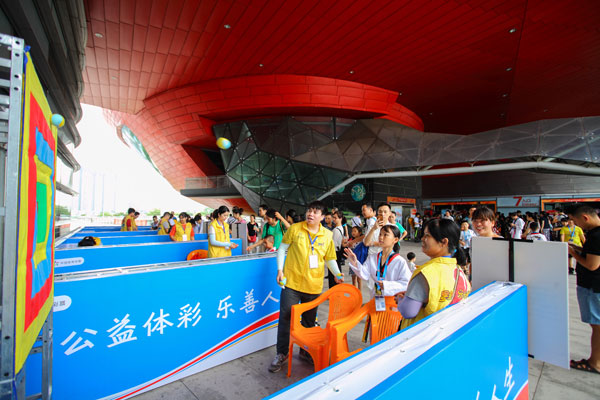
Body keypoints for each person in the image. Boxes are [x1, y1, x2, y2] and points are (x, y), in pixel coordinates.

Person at [269, 201, 343, 373]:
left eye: (316, 212)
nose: (311, 214)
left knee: (309, 321)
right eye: (309, 210)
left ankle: (305, 350)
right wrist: (280, 270)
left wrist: (337, 274)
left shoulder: (328, 235)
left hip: (313, 285)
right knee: (286, 318)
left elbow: (330, 258)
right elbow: (282, 249)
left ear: (323, 217)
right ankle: (282, 353)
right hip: (291, 283)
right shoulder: (295, 229)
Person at [397, 218, 471, 330]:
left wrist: (400, 300)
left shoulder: (426, 274)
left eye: (427, 236)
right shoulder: (459, 272)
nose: (422, 239)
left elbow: (408, 311)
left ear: (444, 242)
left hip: (422, 335)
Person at [566, 205, 600, 374]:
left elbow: (592, 265)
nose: (575, 224)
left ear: (585, 217)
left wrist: (572, 253)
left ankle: (595, 363)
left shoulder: (596, 236)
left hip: (593, 286)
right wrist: (578, 249)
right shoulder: (594, 234)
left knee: (597, 326)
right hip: (594, 286)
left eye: (575, 220)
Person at [345, 224, 411, 300]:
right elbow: (364, 274)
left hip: (393, 301)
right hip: (376, 298)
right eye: (380, 234)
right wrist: (355, 263)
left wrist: (386, 285)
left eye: (385, 235)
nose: (381, 237)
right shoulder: (372, 258)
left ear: (395, 240)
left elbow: (406, 283)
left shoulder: (399, 261)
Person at [344, 225, 363, 290]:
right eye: (352, 231)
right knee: (353, 278)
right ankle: (355, 292)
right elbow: (345, 246)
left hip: (359, 261)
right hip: (352, 262)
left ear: (359, 233)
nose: (353, 233)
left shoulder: (362, 241)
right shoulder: (351, 240)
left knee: (359, 279)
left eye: (355, 231)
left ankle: (359, 292)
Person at [330, 210, 345, 288]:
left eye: (335, 218)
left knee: (333, 274)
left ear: (340, 218)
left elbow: (333, 244)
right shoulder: (341, 228)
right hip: (338, 252)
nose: (333, 219)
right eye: (333, 217)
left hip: (334, 252)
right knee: (337, 270)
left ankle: (334, 290)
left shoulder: (336, 230)